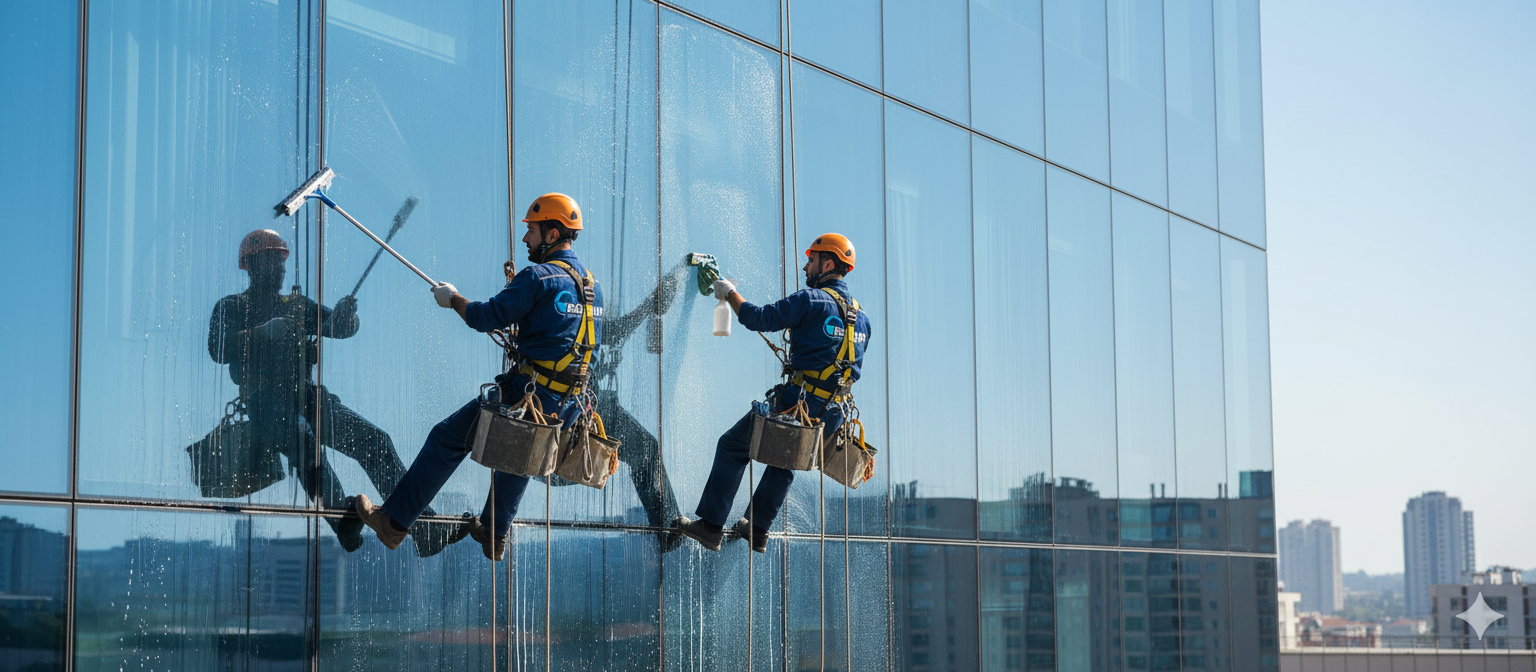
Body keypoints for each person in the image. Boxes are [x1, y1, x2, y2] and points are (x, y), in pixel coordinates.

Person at [351, 193, 603, 561]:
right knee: (522, 453)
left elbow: (483, 317)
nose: (525, 238)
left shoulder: (538, 277)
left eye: (532, 231)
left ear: (552, 234)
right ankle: (494, 533)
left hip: (528, 391)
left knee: (447, 438)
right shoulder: (591, 286)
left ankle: (393, 522)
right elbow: (569, 338)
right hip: (568, 402)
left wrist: (452, 298)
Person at [208, 229, 463, 556]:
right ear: (253, 265)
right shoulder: (233, 306)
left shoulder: (296, 305)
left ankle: (423, 528)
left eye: (281, 262)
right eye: (273, 261)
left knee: (374, 441)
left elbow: (339, 328)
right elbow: (217, 348)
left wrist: (345, 317)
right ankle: (342, 519)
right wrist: (262, 332)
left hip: (306, 396)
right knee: (302, 438)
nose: (282, 269)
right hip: (263, 402)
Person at [675, 234, 872, 552]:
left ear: (827, 264)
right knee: (785, 460)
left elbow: (757, 318)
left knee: (732, 447)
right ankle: (757, 529)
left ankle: (710, 526)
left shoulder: (811, 300)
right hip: (832, 413)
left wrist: (729, 292)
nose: (806, 267)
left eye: (811, 260)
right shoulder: (861, 318)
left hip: (797, 402)